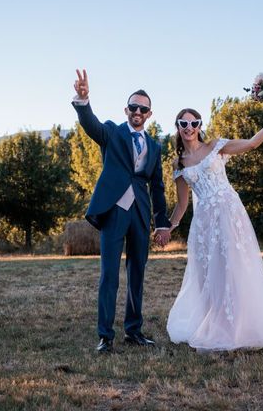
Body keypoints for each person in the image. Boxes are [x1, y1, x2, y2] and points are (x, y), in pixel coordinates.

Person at [166, 105, 263, 352]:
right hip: (203, 224)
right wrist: (168, 227)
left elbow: (252, 143)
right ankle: (215, 323)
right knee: (208, 274)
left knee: (233, 266)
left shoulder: (217, 147)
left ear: (200, 126)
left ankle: (239, 327)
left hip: (229, 215)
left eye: (194, 123)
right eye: (184, 124)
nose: (189, 128)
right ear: (177, 128)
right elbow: (182, 203)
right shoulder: (179, 163)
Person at [71, 69, 171, 353]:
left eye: (144, 108)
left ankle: (134, 331)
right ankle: (105, 335)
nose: (138, 111)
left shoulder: (154, 146)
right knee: (109, 275)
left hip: (140, 212)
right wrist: (83, 99)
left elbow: (158, 186)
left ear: (149, 114)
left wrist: (161, 223)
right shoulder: (113, 132)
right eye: (133, 106)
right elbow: (91, 125)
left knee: (137, 272)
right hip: (115, 210)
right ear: (126, 109)